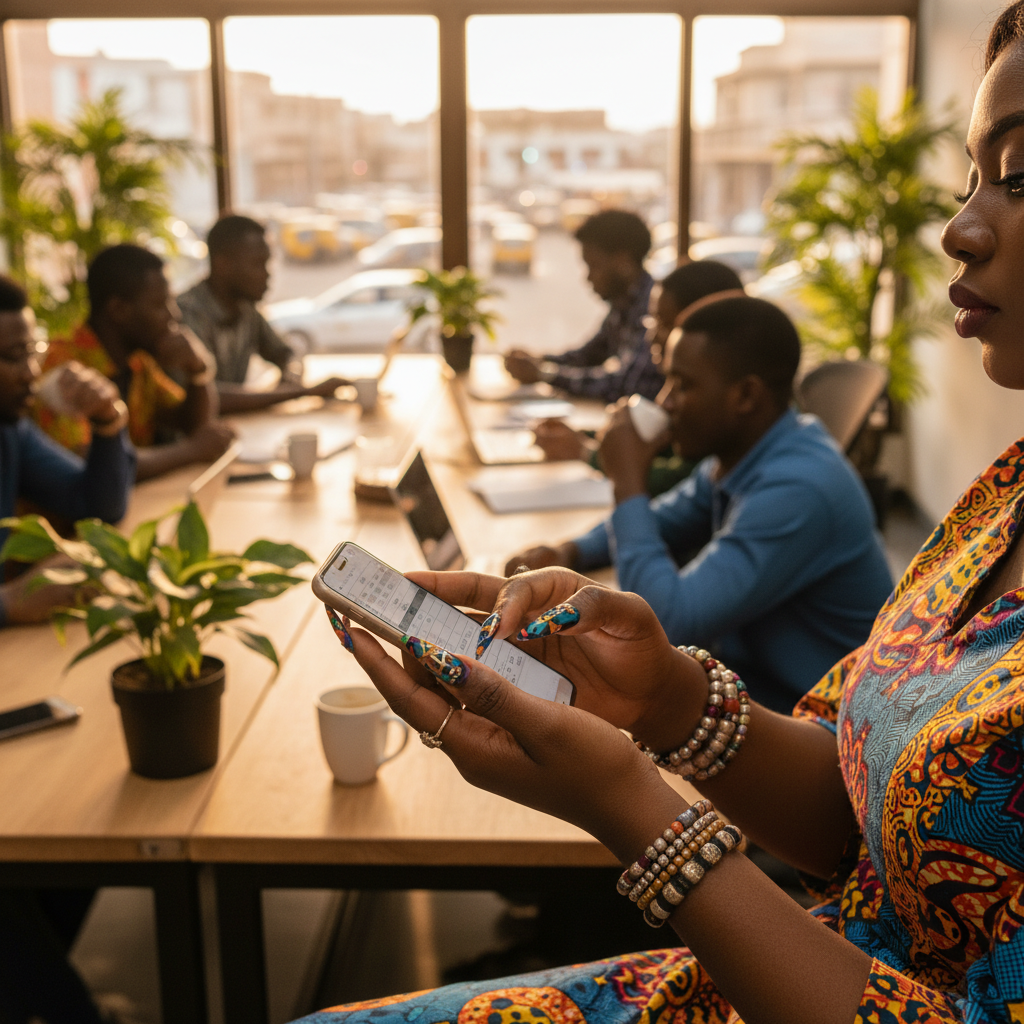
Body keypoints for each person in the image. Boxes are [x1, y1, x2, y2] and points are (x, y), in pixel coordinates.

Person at [293, 6, 1024, 1021]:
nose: (960, 226)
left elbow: (678, 583)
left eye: (1019, 173)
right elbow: (867, 821)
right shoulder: (1003, 496)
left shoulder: (799, 481)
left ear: (746, 397)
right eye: (971, 180)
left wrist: (632, 804)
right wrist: (666, 699)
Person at [507, 295, 893, 711]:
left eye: (683, 385)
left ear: (745, 395)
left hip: (825, 724)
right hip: (755, 681)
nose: (667, 401)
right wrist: (570, 551)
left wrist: (627, 481)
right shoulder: (746, 452)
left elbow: (667, 623)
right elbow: (666, 518)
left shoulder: (799, 490)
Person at [36, 244, 236, 482]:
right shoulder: (64, 368)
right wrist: (191, 450)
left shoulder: (137, 362)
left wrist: (198, 371)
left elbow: (192, 423)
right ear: (118, 309)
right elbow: (94, 465)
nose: (174, 316)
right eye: (159, 305)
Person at [0, 275, 135, 627]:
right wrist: (10, 602)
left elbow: (97, 505)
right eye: (15, 357)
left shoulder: (11, 432)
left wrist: (107, 422)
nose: (32, 373)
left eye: (33, 352)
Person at [532, 260, 744, 476]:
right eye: (652, 323)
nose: (650, 336)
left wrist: (587, 452)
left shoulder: (713, 405)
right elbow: (658, 441)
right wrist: (588, 437)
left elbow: (675, 478)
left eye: (663, 325)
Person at [177, 214, 348, 413]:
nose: (267, 274)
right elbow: (209, 398)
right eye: (257, 264)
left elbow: (285, 353)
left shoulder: (246, 309)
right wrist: (300, 392)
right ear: (223, 265)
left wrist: (291, 374)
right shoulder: (187, 314)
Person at [504, 210, 662, 402]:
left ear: (623, 262)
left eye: (594, 266)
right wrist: (538, 361)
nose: (588, 277)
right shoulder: (625, 303)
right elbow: (589, 355)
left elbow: (626, 384)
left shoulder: (653, 308)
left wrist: (545, 374)